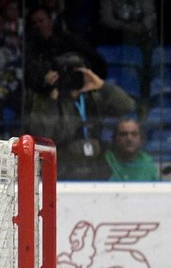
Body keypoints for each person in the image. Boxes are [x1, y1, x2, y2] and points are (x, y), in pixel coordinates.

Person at [26, 52, 136, 180]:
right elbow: (41, 133)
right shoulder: (50, 100)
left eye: (78, 74)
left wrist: (101, 85)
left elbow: (127, 106)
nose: (72, 78)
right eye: (68, 74)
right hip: (62, 169)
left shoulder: (93, 98)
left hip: (95, 168)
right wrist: (51, 97)